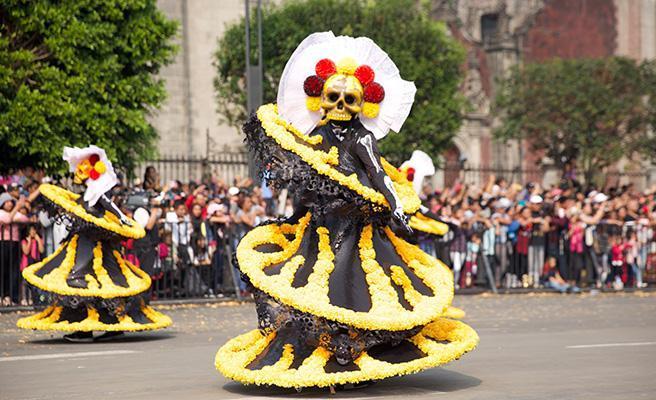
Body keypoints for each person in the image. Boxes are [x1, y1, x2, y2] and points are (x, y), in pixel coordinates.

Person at [215, 32, 477, 390]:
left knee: (343, 285)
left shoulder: (362, 138)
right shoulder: (316, 136)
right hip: (317, 225)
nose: (339, 104)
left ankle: (348, 351)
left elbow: (379, 175)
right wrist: (295, 216)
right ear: (321, 99)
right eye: (333, 97)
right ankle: (320, 347)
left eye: (348, 99)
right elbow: (306, 183)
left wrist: (396, 205)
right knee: (306, 284)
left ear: (361, 103)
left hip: (354, 226)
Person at [17, 145, 172, 341]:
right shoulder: (88, 194)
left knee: (88, 283)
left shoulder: (97, 193)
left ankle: (99, 328)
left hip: (95, 247)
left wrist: (123, 220)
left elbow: (110, 205)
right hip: (83, 244)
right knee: (84, 284)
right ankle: (89, 327)